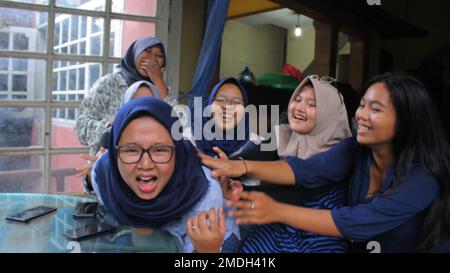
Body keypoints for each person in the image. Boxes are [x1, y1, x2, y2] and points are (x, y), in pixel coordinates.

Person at [199, 73, 450, 252]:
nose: (361, 115)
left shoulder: (424, 178)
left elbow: (356, 222)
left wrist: (276, 210)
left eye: (375, 109)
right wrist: (241, 167)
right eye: (361, 105)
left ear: (405, 120)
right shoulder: (355, 150)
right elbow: (308, 171)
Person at [91, 97, 232, 253]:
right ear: (114, 154)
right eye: (131, 150)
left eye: (160, 150)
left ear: (177, 151)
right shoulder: (104, 175)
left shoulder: (204, 195)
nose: (145, 165)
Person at [75, 37, 177, 157]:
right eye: (147, 51)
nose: (152, 58)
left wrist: (159, 81)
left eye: (159, 55)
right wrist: (111, 127)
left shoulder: (160, 90)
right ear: (134, 54)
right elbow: (81, 127)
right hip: (107, 163)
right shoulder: (110, 83)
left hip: (148, 165)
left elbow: (179, 127)